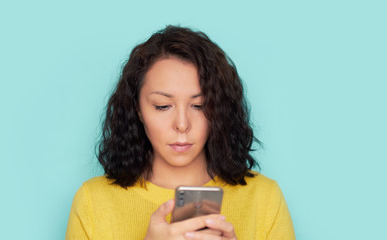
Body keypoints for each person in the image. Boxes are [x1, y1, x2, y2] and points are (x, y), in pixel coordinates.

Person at [66, 25, 295, 240]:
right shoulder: (93, 201)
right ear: (137, 109)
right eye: (163, 106)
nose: (182, 124)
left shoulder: (264, 198)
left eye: (199, 106)